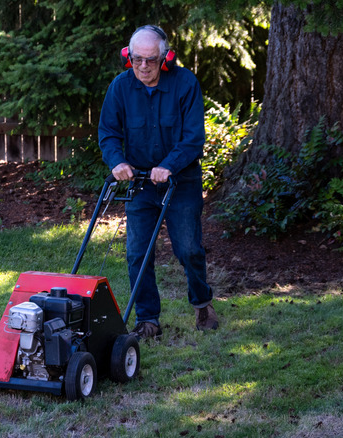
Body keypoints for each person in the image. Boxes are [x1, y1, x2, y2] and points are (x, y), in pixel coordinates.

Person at [98, 25, 218, 339]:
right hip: (140, 183)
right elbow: (108, 133)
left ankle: (202, 302)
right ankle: (148, 319)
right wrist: (117, 162)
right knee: (137, 252)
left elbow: (193, 139)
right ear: (129, 57)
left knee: (189, 248)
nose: (143, 66)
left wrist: (167, 165)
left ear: (164, 58)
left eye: (151, 60)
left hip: (181, 182)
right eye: (137, 59)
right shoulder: (120, 88)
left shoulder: (185, 84)